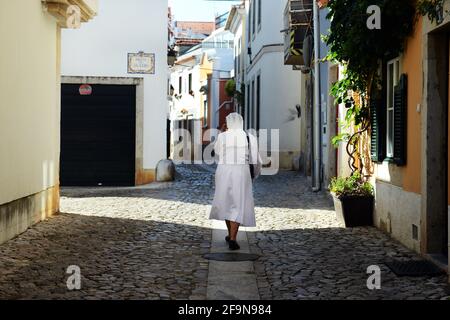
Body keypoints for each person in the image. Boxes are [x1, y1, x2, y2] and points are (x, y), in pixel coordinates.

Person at [209, 113, 262, 250]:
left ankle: (230, 234)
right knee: (239, 203)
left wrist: (222, 133)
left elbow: (216, 151)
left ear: (228, 123)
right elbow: (256, 160)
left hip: (224, 170)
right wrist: (255, 174)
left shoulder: (222, 136)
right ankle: (232, 237)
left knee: (226, 201)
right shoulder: (249, 137)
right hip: (241, 171)